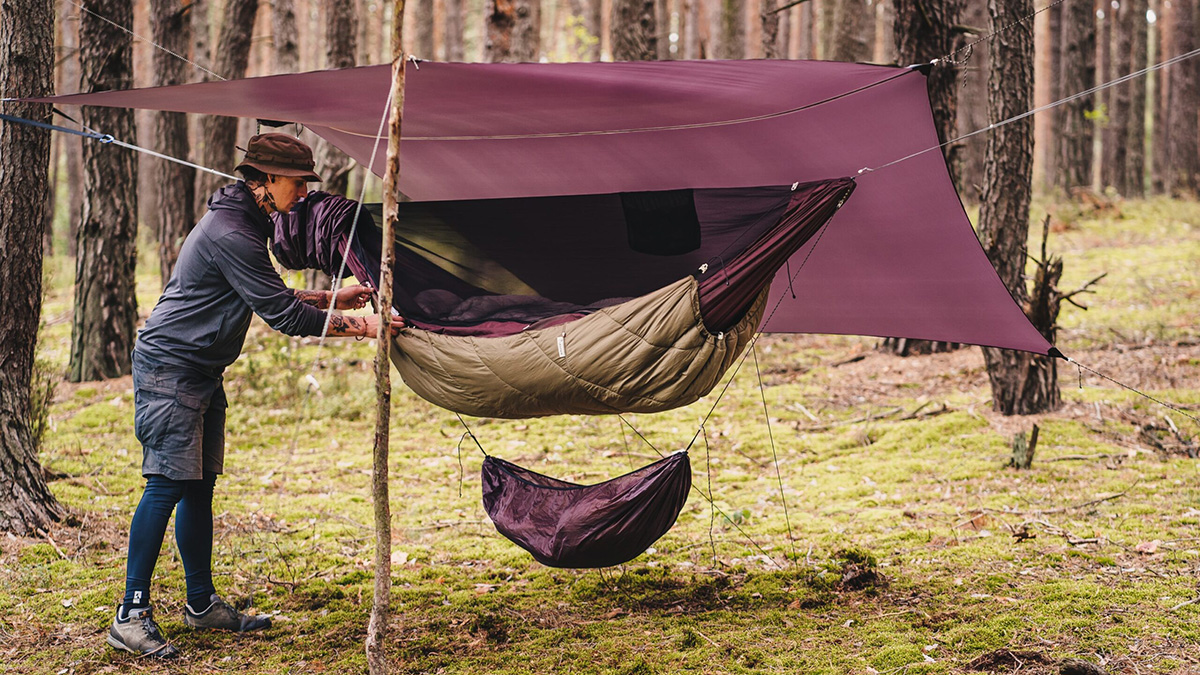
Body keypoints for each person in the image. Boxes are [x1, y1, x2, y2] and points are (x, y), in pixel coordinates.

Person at [108, 133, 398, 658]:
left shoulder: (246, 222)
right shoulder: (232, 230)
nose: (304, 194)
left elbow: (262, 290)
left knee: (197, 486)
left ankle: (200, 606)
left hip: (200, 369)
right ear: (264, 180)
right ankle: (130, 615)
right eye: (297, 183)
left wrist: (333, 296)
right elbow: (283, 315)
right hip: (171, 368)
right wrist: (362, 323)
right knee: (166, 484)